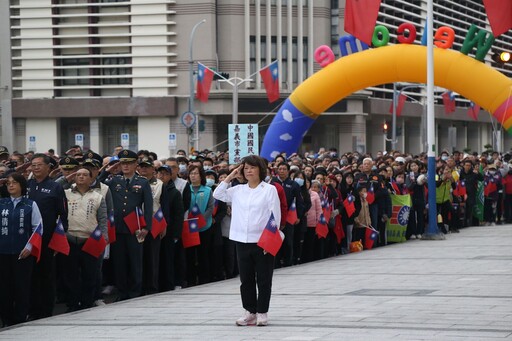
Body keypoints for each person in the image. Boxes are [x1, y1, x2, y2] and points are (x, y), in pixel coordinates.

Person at [213, 155, 281, 327]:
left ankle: (262, 312)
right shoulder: (237, 190)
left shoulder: (269, 189)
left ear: (260, 169)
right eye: (246, 168)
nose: (249, 171)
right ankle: (249, 311)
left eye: (252, 167)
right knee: (246, 279)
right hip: (241, 240)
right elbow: (218, 193)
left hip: (262, 241)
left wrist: (270, 241)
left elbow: (275, 216)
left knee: (264, 279)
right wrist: (231, 175)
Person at [100, 149, 153, 300]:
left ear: (135, 164)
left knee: (135, 261)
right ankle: (122, 292)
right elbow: (97, 183)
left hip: (135, 227)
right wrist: (107, 170)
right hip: (117, 227)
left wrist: (146, 227)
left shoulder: (142, 182)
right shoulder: (114, 180)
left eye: (129, 163)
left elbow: (148, 207)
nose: (125, 166)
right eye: (123, 163)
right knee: (119, 262)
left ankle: (135, 291)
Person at [27, 153, 68, 319]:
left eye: (39, 165)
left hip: (47, 239)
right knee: (30, 276)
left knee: (46, 275)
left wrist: (59, 239)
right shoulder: (27, 185)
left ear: (48, 167)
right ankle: (32, 309)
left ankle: (46, 311)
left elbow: (63, 215)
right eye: (33, 165)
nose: (36, 168)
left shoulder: (55, 187)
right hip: (28, 240)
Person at [0, 173, 43, 326]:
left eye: (15, 183)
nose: (11, 185)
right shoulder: (2, 203)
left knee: (22, 286)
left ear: (21, 185)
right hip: (3, 253)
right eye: (8, 183)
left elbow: (38, 228)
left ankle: (20, 317)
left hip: (22, 253)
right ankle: (6, 318)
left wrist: (29, 246)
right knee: (4, 287)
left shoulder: (30, 204)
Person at [63, 168, 107, 311]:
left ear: (91, 178)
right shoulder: (66, 194)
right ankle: (73, 304)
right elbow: (56, 185)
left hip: (90, 240)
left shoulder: (98, 196)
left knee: (90, 274)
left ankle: (87, 302)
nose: (81, 177)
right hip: (69, 239)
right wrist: (66, 178)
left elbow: (103, 220)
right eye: (78, 174)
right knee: (71, 275)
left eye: (85, 175)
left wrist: (104, 239)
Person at [156, 165, 184, 292]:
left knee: (169, 259)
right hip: (156, 229)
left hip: (170, 231)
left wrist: (176, 234)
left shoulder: (175, 192)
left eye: (165, 174)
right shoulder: (154, 189)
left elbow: (179, 215)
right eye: (159, 173)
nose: (161, 176)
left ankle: (170, 283)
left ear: (170, 176)